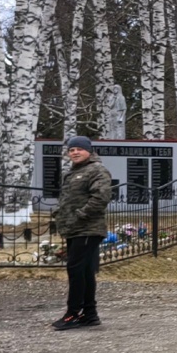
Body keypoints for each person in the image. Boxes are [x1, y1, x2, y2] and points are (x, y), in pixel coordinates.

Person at [52, 136, 113, 330]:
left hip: (88, 228)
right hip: (73, 229)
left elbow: (101, 197)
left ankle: (73, 314)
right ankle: (90, 314)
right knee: (85, 271)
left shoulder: (97, 170)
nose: (75, 152)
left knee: (76, 270)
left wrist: (80, 215)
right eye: (71, 150)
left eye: (79, 149)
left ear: (89, 150)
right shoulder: (72, 173)